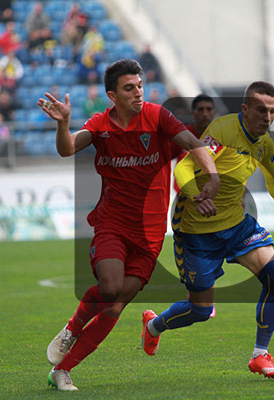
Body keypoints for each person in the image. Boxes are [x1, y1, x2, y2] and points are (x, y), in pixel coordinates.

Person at [39, 59, 219, 391]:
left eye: (139, 85)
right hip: (112, 224)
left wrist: (213, 174)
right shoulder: (100, 124)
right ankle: (71, 328)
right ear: (112, 95)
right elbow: (66, 149)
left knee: (117, 304)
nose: (138, 92)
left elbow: (194, 146)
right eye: (129, 88)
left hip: (150, 233)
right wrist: (63, 124)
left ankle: (61, 371)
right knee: (109, 288)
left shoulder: (158, 117)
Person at [140, 81, 274, 380]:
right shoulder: (222, 131)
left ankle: (260, 355)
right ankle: (153, 326)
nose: (267, 117)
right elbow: (184, 168)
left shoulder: (264, 143)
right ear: (246, 109)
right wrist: (195, 196)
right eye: (262, 110)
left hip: (236, 224)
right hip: (196, 228)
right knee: (200, 310)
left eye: (273, 111)